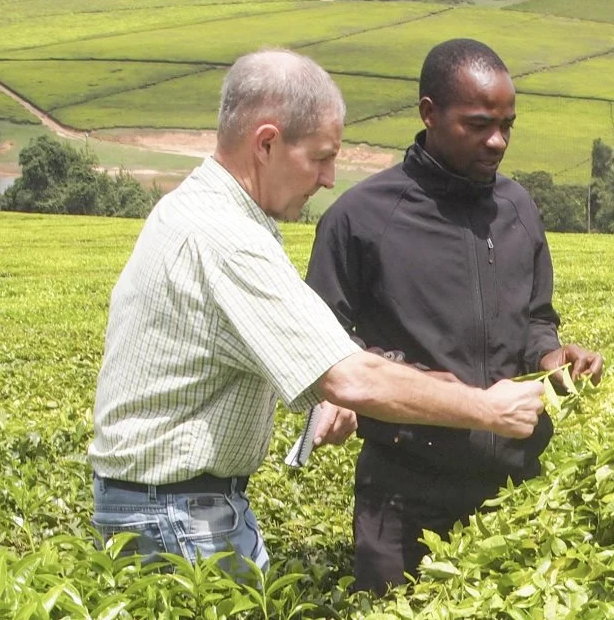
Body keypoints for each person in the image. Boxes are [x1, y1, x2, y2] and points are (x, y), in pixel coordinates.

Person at [88, 49, 545, 580]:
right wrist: (487, 410)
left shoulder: (199, 209)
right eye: (321, 157)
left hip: (177, 506)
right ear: (266, 143)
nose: (330, 179)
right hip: (176, 515)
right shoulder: (227, 239)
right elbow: (347, 376)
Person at [306, 39, 604, 594]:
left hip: (514, 492)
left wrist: (553, 355)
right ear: (428, 113)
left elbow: (536, 317)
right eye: (478, 124)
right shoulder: (362, 218)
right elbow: (322, 348)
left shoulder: (517, 209)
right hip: (405, 502)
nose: (497, 141)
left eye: (508, 125)